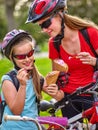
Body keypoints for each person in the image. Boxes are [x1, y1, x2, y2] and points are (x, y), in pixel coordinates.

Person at [25, 0, 98, 120]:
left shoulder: (91, 33)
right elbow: (56, 76)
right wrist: (53, 88)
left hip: (93, 95)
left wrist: (95, 61)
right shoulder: (54, 43)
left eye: (46, 23)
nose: (44, 30)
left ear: (60, 14)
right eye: (40, 26)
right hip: (69, 99)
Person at [0, 29, 44, 130]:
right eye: (21, 56)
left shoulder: (37, 77)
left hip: (33, 127)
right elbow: (16, 111)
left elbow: (58, 95)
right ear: (12, 58)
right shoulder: (8, 80)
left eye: (30, 53)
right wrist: (22, 86)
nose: (27, 59)